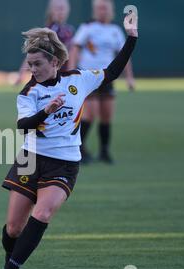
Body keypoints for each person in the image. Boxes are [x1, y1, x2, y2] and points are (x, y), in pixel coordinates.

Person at [0, 10, 138, 269]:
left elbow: (112, 71)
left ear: (54, 61)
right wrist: (47, 111)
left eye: (38, 64)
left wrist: (132, 37)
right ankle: (8, 263)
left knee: (43, 213)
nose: (33, 70)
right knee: (14, 227)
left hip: (64, 162)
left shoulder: (78, 79)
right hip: (31, 159)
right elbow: (24, 126)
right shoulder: (29, 92)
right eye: (29, 65)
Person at [68, 0, 135, 164]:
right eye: (98, 8)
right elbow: (75, 48)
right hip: (88, 76)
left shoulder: (115, 30)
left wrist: (129, 78)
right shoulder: (87, 27)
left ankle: (104, 151)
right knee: (90, 114)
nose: (101, 11)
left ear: (110, 10)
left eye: (104, 8)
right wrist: (71, 71)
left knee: (106, 115)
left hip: (107, 77)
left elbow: (123, 55)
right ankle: (79, 149)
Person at [15, 0, 75, 85]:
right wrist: (22, 73)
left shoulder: (69, 30)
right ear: (51, 11)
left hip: (63, 76)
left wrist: (71, 73)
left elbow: (72, 54)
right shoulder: (50, 30)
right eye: (58, 9)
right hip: (51, 75)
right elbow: (34, 50)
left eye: (62, 8)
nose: (60, 12)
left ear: (68, 10)